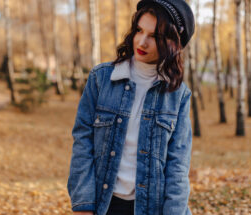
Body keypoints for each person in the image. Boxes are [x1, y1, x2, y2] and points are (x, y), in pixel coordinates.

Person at [67, 0, 195, 214]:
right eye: (139, 30)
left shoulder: (178, 95)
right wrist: (83, 205)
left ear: (172, 43)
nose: (142, 42)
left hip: (152, 208)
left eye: (153, 36)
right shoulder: (101, 79)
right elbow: (82, 143)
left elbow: (178, 167)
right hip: (104, 205)